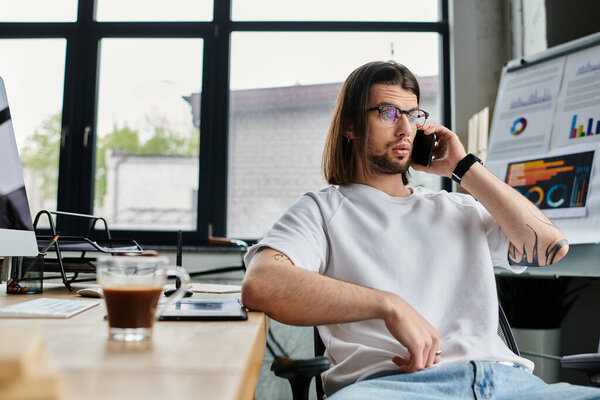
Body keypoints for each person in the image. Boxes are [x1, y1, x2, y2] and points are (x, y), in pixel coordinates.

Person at [241, 61, 600, 399]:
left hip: (507, 383)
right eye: (388, 113)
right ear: (350, 125)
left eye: (413, 116)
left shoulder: (458, 208)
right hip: (393, 388)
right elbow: (263, 283)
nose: (404, 129)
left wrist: (464, 167)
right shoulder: (324, 209)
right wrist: (388, 305)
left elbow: (552, 246)